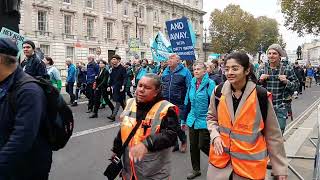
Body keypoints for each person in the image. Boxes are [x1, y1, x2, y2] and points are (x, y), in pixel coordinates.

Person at [207, 52, 288, 180]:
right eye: (227, 69)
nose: (229, 72)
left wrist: (280, 169)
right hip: (220, 165)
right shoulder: (218, 92)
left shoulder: (261, 96)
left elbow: (273, 135)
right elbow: (211, 118)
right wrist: (215, 135)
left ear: (247, 70)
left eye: (235, 68)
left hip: (250, 168)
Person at [0, 38, 52, 179]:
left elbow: (23, 136)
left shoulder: (29, 89)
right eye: (24, 47)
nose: (26, 49)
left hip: (28, 166)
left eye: (28, 47)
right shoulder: (21, 64)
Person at [110, 73, 179, 179]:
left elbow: (171, 135)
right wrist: (117, 150)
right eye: (140, 85)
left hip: (153, 173)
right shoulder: (130, 102)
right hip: (129, 171)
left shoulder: (166, 109)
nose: (141, 90)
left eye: (147, 88)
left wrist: (147, 144)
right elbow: (124, 129)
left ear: (156, 92)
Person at [257, 44, 299, 134]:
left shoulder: (287, 68)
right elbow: (253, 88)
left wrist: (286, 81)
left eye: (274, 53)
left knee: (278, 135)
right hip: (265, 107)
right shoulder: (261, 69)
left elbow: (296, 86)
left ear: (280, 55)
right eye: (269, 53)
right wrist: (260, 80)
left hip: (281, 106)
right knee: (263, 135)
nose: (271, 55)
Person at [184, 62, 216, 179]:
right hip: (192, 118)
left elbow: (214, 104)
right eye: (194, 69)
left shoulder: (210, 84)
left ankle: (219, 161)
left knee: (203, 145)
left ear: (205, 71)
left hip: (205, 119)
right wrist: (184, 119)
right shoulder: (192, 82)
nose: (196, 71)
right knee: (193, 146)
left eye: (198, 69)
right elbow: (187, 101)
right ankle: (196, 169)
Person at [161, 53, 192, 153]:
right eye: (169, 58)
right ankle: (174, 144)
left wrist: (188, 102)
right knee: (167, 123)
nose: (169, 60)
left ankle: (183, 140)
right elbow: (163, 86)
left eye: (172, 58)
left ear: (178, 61)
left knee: (177, 124)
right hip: (166, 101)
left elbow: (189, 87)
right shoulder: (165, 71)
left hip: (179, 102)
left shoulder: (185, 72)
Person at [108, 54, 127, 121]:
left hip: (121, 88)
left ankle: (113, 116)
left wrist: (123, 85)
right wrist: (109, 86)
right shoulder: (113, 68)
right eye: (112, 59)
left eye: (114, 59)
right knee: (120, 103)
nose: (113, 60)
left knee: (121, 103)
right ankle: (125, 114)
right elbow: (112, 78)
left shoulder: (122, 68)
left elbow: (125, 78)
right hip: (116, 88)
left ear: (118, 60)